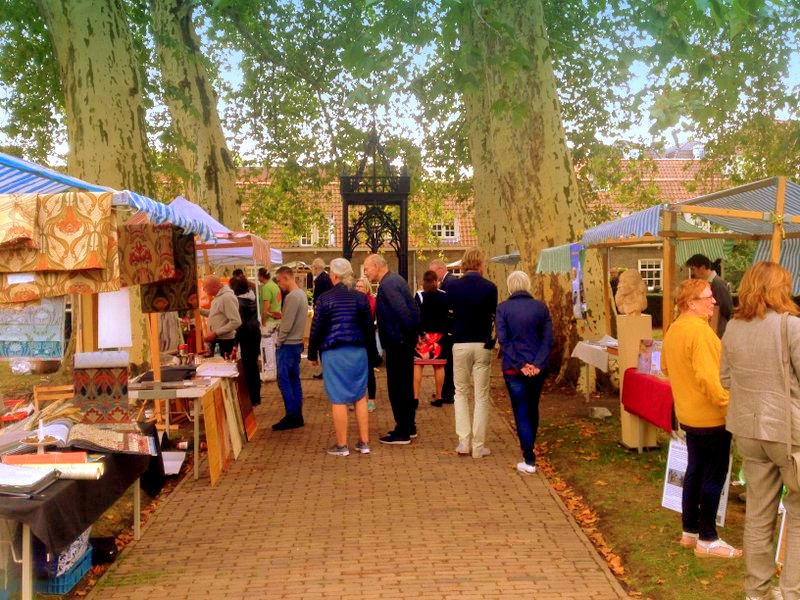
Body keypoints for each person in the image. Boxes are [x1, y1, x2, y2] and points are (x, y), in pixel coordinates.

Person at [721, 262, 800, 599]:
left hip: (748, 430)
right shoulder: (791, 326)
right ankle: (790, 592)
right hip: (787, 431)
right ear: (777, 288)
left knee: (758, 513)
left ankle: (756, 592)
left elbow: (725, 379)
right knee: (797, 514)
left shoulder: (734, 328)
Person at [661, 279, 740, 559]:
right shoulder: (700, 333)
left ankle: (690, 531)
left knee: (694, 471)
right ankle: (707, 537)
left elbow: (665, 367)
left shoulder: (674, 329)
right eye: (708, 297)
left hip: (689, 415)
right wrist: (730, 405)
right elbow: (711, 380)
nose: (714, 301)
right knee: (713, 475)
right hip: (711, 417)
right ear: (691, 303)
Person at [307, 258, 378, 456]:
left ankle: (342, 445)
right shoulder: (361, 298)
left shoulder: (324, 299)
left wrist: (312, 354)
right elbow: (368, 328)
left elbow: (317, 328)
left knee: (338, 398)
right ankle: (364, 443)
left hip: (334, 351)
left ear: (335, 276)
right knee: (360, 396)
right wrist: (373, 354)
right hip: (358, 351)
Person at [495, 271, 553, 474]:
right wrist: (536, 363)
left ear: (510, 286)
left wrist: (520, 364)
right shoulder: (541, 308)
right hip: (536, 367)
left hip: (513, 367)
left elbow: (504, 340)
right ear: (528, 285)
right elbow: (547, 340)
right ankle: (530, 447)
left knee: (520, 410)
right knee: (532, 407)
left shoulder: (503, 308)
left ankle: (528, 456)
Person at [363, 253, 421, 445]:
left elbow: (403, 311)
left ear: (377, 266)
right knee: (404, 385)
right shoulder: (396, 280)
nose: (365, 272)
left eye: (367, 268)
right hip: (402, 342)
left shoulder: (388, 285)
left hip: (398, 343)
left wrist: (406, 336)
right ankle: (408, 426)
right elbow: (412, 309)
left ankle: (402, 430)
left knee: (397, 387)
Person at [446, 247, 498, 459]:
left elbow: (449, 314)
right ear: (480, 264)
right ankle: (478, 445)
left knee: (460, 392)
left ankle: (463, 441)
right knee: (481, 395)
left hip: (459, 342)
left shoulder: (453, 287)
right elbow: (493, 315)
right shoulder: (490, 288)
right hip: (482, 343)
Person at [272, 265, 308, 430]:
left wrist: (279, 341)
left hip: (288, 344)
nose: (279, 285)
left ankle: (292, 415)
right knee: (294, 379)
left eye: (280, 281)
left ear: (286, 278)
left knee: (284, 379)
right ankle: (296, 414)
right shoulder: (301, 294)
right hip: (296, 342)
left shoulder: (292, 297)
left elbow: (287, 324)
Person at [413, 270, 450, 407]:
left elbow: (415, 316)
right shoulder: (444, 296)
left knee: (418, 366)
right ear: (436, 281)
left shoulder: (419, 296)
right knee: (439, 366)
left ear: (424, 281)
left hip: (423, 336)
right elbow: (448, 315)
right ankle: (439, 397)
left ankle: (415, 398)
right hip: (439, 337)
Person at [230, 276, 262, 406]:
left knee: (248, 367)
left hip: (246, 335)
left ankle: (252, 397)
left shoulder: (239, 302)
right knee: (253, 366)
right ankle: (256, 396)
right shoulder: (252, 297)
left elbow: (240, 323)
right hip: (255, 333)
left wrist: (235, 343)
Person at [686, 254, 733, 338]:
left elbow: (728, 310)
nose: (692, 273)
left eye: (693, 269)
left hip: (717, 332)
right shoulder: (709, 283)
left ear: (703, 268)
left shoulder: (718, 285)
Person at [429, 258, 455, 403]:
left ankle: (448, 393)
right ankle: (444, 391)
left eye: (432, 271)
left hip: (448, 329)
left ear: (440, 269)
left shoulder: (448, 283)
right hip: (447, 329)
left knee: (447, 362)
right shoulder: (447, 282)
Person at [201, 275, 242, 358]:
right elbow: (214, 314)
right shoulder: (219, 297)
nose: (204, 290)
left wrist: (216, 333)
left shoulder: (226, 297)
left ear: (214, 287)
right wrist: (199, 310)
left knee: (222, 368)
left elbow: (236, 321)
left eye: (205, 288)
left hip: (224, 342)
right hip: (219, 341)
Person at [355, 276, 378, 412]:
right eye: (356, 286)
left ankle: (372, 399)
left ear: (367, 288)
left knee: (369, 370)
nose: (358, 289)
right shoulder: (353, 301)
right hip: (356, 339)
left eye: (361, 287)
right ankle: (357, 398)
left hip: (367, 339)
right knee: (356, 371)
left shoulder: (372, 302)